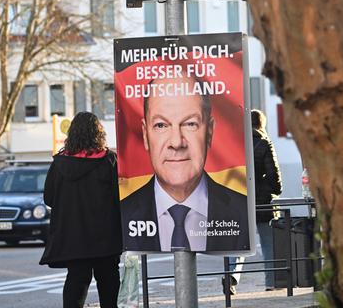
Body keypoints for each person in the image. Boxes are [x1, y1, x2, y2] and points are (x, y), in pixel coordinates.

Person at [121, 75, 249, 252]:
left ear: (209, 131)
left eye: (190, 124)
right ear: (145, 134)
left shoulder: (242, 212)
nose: (176, 142)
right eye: (161, 125)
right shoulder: (123, 214)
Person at [39, 112, 122, 308]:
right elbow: (120, 197)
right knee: (108, 279)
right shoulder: (109, 160)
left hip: (73, 236)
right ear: (98, 133)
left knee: (76, 279)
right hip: (105, 236)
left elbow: (49, 198)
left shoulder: (59, 164)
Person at [224, 109, 283, 295]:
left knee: (239, 243)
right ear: (261, 124)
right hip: (263, 202)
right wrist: (274, 189)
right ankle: (271, 282)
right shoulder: (264, 143)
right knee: (267, 243)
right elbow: (274, 174)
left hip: (239, 200)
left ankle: (231, 277)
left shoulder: (235, 145)